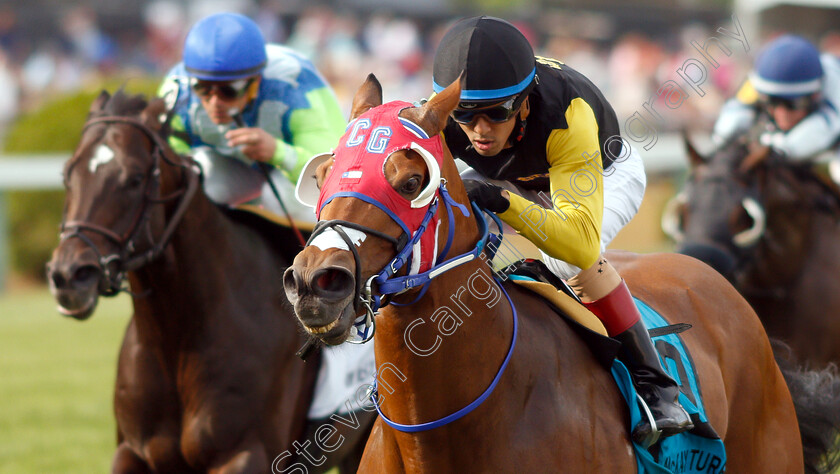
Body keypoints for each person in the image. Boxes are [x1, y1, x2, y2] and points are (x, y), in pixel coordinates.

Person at [432, 16, 693, 445]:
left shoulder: (566, 114)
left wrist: (504, 203)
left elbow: (579, 241)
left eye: (496, 113)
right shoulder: (444, 113)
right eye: (465, 113)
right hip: (518, 178)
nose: (479, 129)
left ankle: (657, 386)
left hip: (600, 175)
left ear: (524, 100)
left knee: (561, 256)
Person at [158, 12, 345, 223]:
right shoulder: (176, 92)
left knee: (283, 198)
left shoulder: (295, 86)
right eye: (202, 89)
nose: (214, 102)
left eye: (229, 90)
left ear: (255, 82)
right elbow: (169, 169)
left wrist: (278, 151)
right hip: (231, 168)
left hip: (290, 179)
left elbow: (332, 174)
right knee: (204, 180)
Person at [712, 34, 840, 177]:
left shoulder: (834, 84)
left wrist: (776, 150)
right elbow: (735, 111)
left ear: (815, 96)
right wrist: (722, 142)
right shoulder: (758, 81)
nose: (781, 113)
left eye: (792, 104)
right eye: (772, 102)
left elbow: (825, 127)